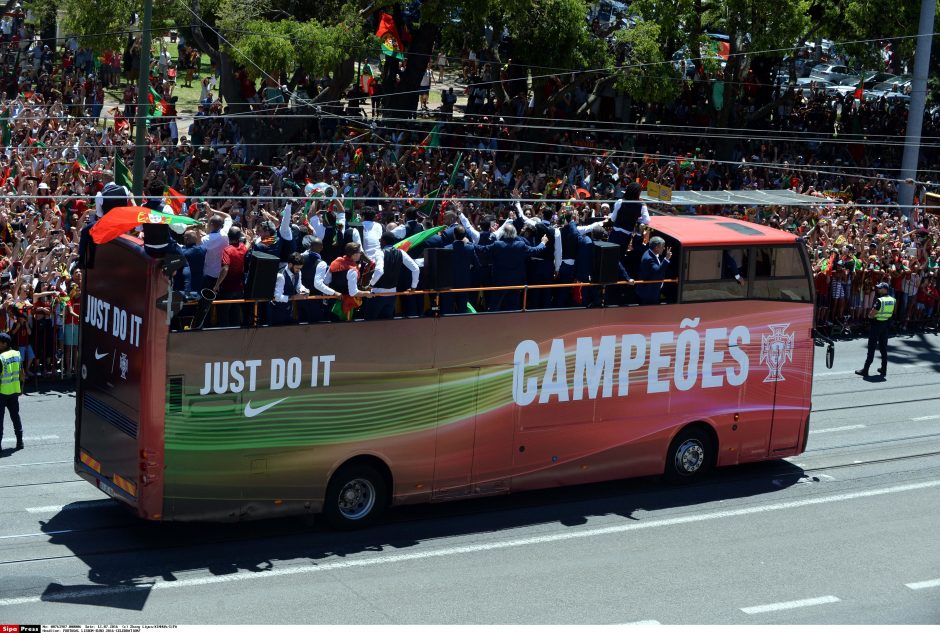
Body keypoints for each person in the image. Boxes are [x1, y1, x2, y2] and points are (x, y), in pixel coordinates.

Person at [364, 232, 419, 320]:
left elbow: (379, 270)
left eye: (380, 241)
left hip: (377, 295)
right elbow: (416, 269)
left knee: (369, 323)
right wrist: (413, 287)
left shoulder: (380, 253)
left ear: (383, 241)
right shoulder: (401, 252)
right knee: (387, 325)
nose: (379, 242)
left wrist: (370, 285)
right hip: (392, 295)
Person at [856, 282, 895, 377]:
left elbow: (872, 314)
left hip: (877, 325)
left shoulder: (880, 300)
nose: (878, 289)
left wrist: (869, 316)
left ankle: (865, 370)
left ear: (885, 289)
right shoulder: (893, 300)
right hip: (885, 325)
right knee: (883, 348)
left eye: (880, 288)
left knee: (871, 348)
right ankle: (884, 369)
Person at [0, 332, 24, 452]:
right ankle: (20, 442)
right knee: (15, 417)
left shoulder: (1, 358)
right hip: (14, 392)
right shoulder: (17, 354)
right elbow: (22, 374)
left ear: (4, 344)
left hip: (2, 393)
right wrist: (21, 389)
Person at [270, 252, 309, 326]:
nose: (299, 270)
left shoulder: (298, 272)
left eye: (300, 268)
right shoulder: (281, 276)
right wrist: (294, 297)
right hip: (277, 312)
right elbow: (277, 297)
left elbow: (298, 286)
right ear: (290, 264)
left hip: (288, 310)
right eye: (297, 268)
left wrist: (304, 291)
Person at [636, 236, 673, 305]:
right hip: (648, 293)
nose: (664, 248)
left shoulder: (651, 253)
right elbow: (658, 272)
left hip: (652, 290)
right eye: (662, 246)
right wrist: (667, 259)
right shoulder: (649, 258)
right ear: (656, 248)